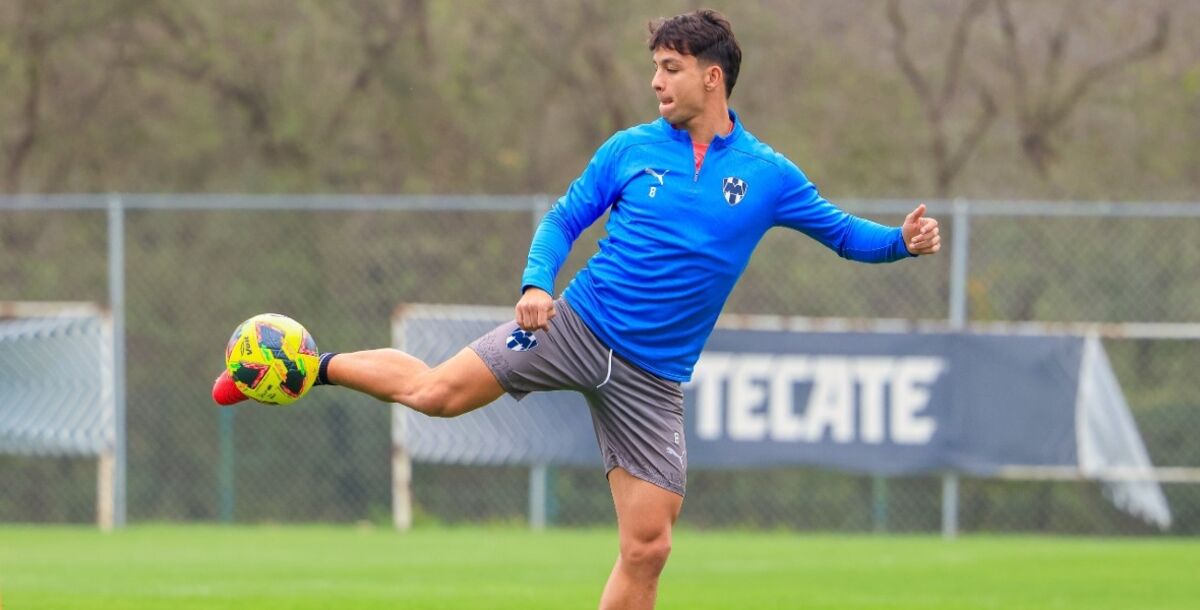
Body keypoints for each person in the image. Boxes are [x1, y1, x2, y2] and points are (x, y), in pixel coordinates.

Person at [213, 9, 940, 609]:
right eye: (654, 66)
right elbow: (563, 220)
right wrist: (536, 285)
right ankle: (313, 365)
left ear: (712, 77)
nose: (655, 80)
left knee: (648, 548)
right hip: (576, 327)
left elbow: (845, 235)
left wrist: (901, 243)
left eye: (671, 68)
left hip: (653, 378)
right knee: (436, 395)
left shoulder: (768, 175)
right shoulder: (629, 150)